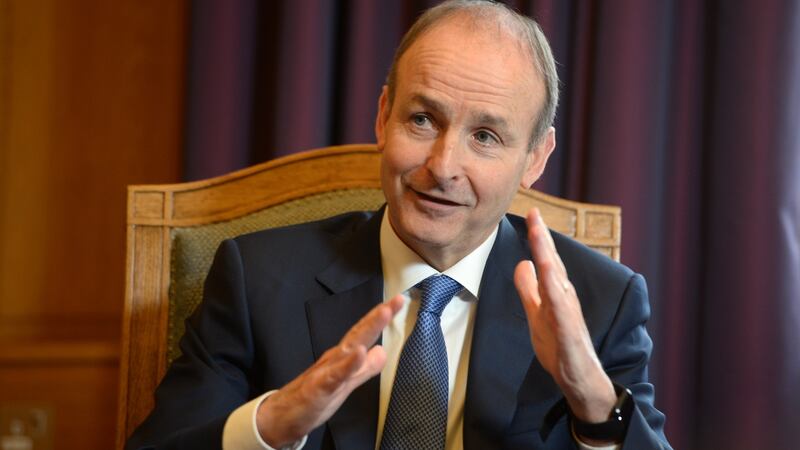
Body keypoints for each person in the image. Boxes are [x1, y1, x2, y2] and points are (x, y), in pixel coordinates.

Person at [127, 1, 671, 449]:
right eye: (422, 119)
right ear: (383, 116)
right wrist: (272, 425)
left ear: (535, 157)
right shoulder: (259, 279)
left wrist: (594, 402)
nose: (443, 166)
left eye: (485, 137)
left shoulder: (602, 301)